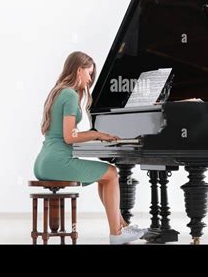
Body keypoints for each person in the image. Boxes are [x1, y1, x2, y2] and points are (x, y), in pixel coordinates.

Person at [34, 51, 146, 244]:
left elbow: (62, 135)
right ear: (79, 70)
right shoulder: (69, 94)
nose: (90, 79)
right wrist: (97, 134)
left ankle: (123, 227)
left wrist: (94, 136)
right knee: (111, 172)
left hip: (43, 162)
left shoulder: (58, 91)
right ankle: (117, 234)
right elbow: (70, 137)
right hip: (57, 162)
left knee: (104, 177)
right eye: (89, 73)